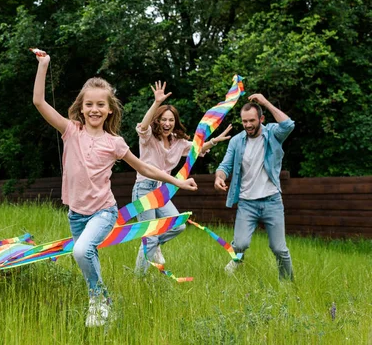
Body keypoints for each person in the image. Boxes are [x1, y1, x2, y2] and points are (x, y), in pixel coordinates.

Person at [33, 52, 198, 327]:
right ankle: (100, 303)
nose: (94, 109)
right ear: (81, 108)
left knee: (80, 250)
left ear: (110, 109)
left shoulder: (115, 142)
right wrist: (44, 65)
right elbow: (39, 101)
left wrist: (177, 181)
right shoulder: (70, 131)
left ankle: (99, 300)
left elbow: (145, 168)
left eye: (101, 104)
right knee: (87, 257)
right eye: (89, 104)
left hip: (103, 211)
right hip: (76, 213)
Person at [133, 81, 232, 275]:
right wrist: (156, 103)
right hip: (144, 189)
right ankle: (138, 279)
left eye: (171, 120)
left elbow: (196, 149)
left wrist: (213, 141)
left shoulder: (178, 142)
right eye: (163, 119)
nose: (167, 123)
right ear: (158, 121)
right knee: (150, 237)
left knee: (178, 225)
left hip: (162, 191)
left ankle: (155, 245)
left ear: (175, 122)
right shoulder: (148, 138)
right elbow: (143, 127)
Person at [214, 94, 295, 280]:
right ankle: (237, 260)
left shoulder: (273, 134)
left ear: (261, 119)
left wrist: (265, 102)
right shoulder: (236, 141)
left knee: (279, 248)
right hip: (246, 203)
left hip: (272, 201)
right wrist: (219, 177)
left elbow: (289, 125)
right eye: (244, 121)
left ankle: (287, 285)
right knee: (240, 244)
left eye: (252, 120)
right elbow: (224, 166)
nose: (248, 125)